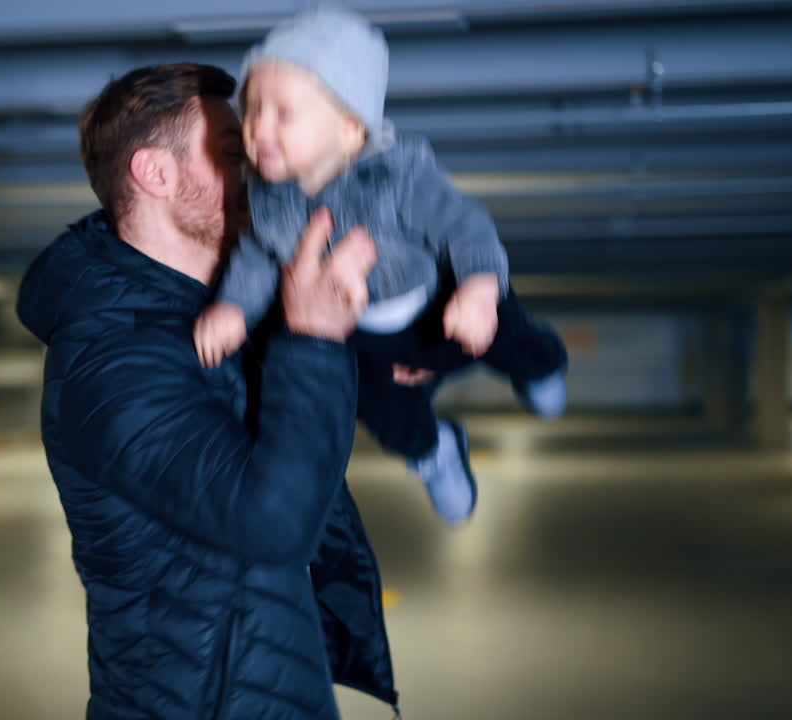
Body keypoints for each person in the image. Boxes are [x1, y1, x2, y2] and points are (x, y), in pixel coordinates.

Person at [16, 64, 399, 719]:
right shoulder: (112, 360)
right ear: (155, 174)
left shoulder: (211, 312)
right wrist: (312, 340)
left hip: (256, 684)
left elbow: (296, 447)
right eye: (230, 155)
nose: (259, 172)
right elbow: (274, 523)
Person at [194, 5, 568, 525]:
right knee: (378, 406)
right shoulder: (268, 199)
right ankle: (432, 451)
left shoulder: (398, 177)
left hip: (442, 303)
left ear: (351, 130)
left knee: (508, 328)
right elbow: (259, 257)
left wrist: (478, 290)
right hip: (367, 333)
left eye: (283, 112)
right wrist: (234, 308)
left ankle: (541, 367)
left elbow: (466, 227)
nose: (259, 126)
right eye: (253, 109)